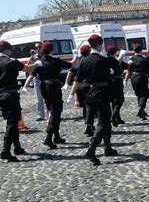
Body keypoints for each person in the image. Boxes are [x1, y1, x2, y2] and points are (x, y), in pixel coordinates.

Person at [0, 40, 39, 161]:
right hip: (11, 95)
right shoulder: (12, 62)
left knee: (12, 121)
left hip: (0, 96)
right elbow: (28, 70)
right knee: (12, 123)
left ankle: (17, 147)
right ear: (7, 50)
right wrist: (37, 63)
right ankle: (5, 150)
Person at [68, 34, 117, 165]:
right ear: (99, 44)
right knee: (103, 123)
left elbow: (77, 79)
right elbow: (112, 73)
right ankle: (92, 148)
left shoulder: (84, 60)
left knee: (103, 121)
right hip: (102, 93)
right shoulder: (103, 60)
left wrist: (71, 95)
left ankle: (107, 147)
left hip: (90, 94)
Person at [33, 41, 72, 149]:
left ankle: (56, 136)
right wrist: (77, 56)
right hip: (53, 86)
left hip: (43, 86)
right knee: (56, 111)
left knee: (51, 110)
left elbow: (32, 73)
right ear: (51, 49)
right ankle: (48, 137)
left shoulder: (39, 61)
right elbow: (70, 65)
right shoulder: (55, 60)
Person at [125, 44, 149, 120]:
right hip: (142, 77)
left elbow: (129, 71)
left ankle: (142, 111)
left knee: (139, 94)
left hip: (133, 77)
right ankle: (140, 109)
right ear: (141, 50)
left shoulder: (131, 59)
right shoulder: (144, 59)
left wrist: (125, 80)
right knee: (144, 94)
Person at [106, 46, 128, 126]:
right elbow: (126, 66)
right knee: (119, 100)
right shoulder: (116, 60)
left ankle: (117, 118)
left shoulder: (105, 60)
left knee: (112, 100)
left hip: (108, 82)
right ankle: (114, 116)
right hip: (117, 81)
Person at [24, 42, 46, 121]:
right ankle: (40, 115)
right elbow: (27, 67)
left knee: (47, 98)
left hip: (45, 79)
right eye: (36, 47)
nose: (38, 49)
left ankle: (51, 114)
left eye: (40, 47)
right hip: (36, 79)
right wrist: (31, 59)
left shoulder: (45, 55)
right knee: (39, 98)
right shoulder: (33, 57)